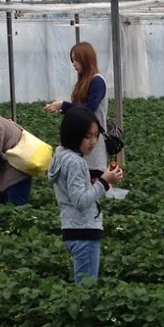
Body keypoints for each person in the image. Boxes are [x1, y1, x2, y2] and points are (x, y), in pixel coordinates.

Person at [50, 106, 124, 283]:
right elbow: (80, 200)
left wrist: (103, 178)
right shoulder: (75, 162)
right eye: (87, 136)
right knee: (86, 291)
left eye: (96, 135)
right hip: (84, 232)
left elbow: (74, 191)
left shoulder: (62, 155)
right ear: (73, 134)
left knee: (82, 285)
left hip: (72, 229)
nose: (93, 141)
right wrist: (105, 182)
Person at [44, 41, 109, 175]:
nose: (74, 63)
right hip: (80, 142)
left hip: (92, 141)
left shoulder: (98, 81)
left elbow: (89, 109)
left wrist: (64, 105)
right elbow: (80, 111)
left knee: (92, 179)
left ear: (86, 58)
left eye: (76, 59)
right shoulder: (83, 83)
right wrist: (62, 109)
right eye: (72, 60)